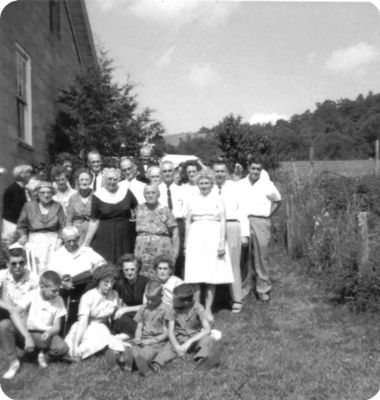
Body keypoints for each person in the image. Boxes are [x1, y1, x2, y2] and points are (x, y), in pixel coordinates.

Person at [184, 169, 234, 322]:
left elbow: (223, 220)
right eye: (201, 183)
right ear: (197, 184)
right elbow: (187, 221)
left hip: (213, 235)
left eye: (207, 183)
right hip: (195, 236)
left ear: (212, 184)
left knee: (212, 274)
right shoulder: (192, 198)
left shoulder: (218, 198)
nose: (204, 185)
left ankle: (208, 309)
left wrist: (221, 242)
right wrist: (186, 244)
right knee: (196, 274)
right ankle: (197, 308)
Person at [238, 156, 282, 301]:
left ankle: (263, 288)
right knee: (243, 256)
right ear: (248, 168)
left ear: (261, 170)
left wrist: (268, 215)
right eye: (253, 168)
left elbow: (278, 200)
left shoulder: (266, 184)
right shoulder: (240, 184)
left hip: (261, 221)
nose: (255, 171)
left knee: (261, 256)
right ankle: (243, 288)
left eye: (258, 169)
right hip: (243, 220)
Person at [151, 284, 220, 372]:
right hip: (178, 338)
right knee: (168, 348)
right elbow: (170, 332)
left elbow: (207, 329)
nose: (172, 300)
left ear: (186, 303)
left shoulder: (198, 308)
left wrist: (188, 342)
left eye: (175, 299)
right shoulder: (172, 309)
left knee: (207, 340)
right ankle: (157, 364)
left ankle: (202, 360)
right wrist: (177, 347)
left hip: (194, 338)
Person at [64, 264, 126, 361]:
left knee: (106, 336)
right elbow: (83, 322)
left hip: (101, 327)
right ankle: (75, 353)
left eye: (112, 282)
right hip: (85, 326)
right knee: (74, 346)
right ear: (98, 281)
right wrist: (76, 343)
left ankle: (118, 355)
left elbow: (117, 313)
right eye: (106, 282)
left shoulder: (114, 294)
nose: (109, 286)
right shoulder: (88, 296)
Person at [14, 271, 69, 369]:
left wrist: (50, 332)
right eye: (53, 290)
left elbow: (57, 326)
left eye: (58, 290)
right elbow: (16, 312)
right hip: (29, 332)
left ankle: (44, 357)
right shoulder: (32, 295)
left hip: (45, 333)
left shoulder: (59, 300)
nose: (56, 293)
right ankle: (31, 353)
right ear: (42, 287)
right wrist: (25, 334)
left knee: (63, 348)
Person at [83, 168, 138, 264]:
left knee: (126, 262)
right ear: (104, 179)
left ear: (119, 180)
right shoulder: (97, 196)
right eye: (109, 179)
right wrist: (86, 243)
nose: (112, 182)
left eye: (115, 179)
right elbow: (94, 221)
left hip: (125, 235)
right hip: (105, 236)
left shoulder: (126, 192)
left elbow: (137, 209)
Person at [212, 160, 244, 313]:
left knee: (233, 264)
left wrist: (244, 234)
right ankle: (217, 297)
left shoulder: (235, 187)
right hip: (214, 227)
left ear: (227, 173)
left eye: (222, 171)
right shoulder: (209, 188)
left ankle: (237, 298)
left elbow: (243, 210)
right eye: (216, 171)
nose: (219, 174)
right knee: (216, 263)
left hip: (232, 225)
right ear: (213, 173)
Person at [120, 280, 169, 375]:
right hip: (143, 338)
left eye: (152, 300)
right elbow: (139, 326)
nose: (149, 302)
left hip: (157, 342)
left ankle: (135, 360)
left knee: (148, 351)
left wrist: (152, 341)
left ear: (161, 296)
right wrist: (138, 337)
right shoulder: (143, 308)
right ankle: (127, 357)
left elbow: (166, 333)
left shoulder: (166, 310)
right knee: (129, 344)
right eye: (147, 299)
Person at [17, 181, 65, 275]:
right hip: (35, 240)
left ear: (52, 193)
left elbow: (63, 225)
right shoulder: (29, 206)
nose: (46, 195)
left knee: (52, 267)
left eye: (49, 192)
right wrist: (23, 235)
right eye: (42, 192)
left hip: (53, 241)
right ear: (37, 194)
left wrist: (59, 240)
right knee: (35, 268)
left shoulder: (57, 206)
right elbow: (21, 225)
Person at [134, 184, 179, 278]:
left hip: (162, 249)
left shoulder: (165, 210)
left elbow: (175, 233)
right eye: (147, 193)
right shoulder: (138, 209)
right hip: (142, 250)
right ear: (144, 195)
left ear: (158, 194)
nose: (150, 195)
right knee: (142, 277)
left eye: (153, 192)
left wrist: (175, 254)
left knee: (161, 276)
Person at [159, 161, 186, 278]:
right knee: (163, 257)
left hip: (178, 224)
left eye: (170, 171)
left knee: (178, 257)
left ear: (174, 172)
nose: (167, 173)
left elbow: (186, 211)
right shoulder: (156, 190)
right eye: (164, 171)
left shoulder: (182, 190)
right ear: (161, 173)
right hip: (162, 226)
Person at [113, 254, 149, 338]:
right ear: (122, 270)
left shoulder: (145, 282)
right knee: (119, 318)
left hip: (142, 313)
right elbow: (119, 305)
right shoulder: (120, 284)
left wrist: (126, 309)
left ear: (137, 269)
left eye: (132, 269)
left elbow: (146, 306)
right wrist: (121, 310)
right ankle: (131, 335)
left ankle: (129, 335)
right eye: (126, 270)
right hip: (127, 315)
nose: (129, 272)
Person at [2, 165, 33, 243]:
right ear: (22, 175)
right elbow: (16, 209)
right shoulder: (12, 190)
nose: (30, 175)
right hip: (12, 224)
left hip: (22, 225)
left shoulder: (25, 190)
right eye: (28, 173)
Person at [66, 168, 94, 245]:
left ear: (91, 181)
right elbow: (69, 219)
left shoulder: (96, 196)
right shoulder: (73, 198)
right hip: (77, 233)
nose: (84, 182)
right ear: (78, 181)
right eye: (81, 179)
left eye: (87, 179)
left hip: (93, 231)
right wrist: (69, 234)